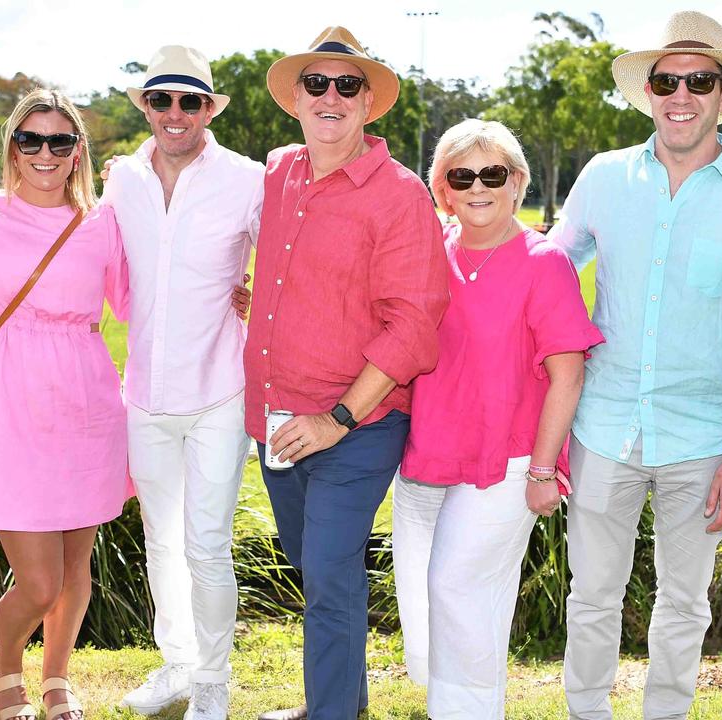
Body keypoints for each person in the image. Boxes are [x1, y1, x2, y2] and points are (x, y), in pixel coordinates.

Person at [547, 11, 722, 719]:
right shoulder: (602, 177)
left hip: (704, 438)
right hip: (602, 425)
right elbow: (546, 273)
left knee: (683, 603)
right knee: (591, 595)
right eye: (665, 79)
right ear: (649, 92)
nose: (679, 93)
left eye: (697, 79)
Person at [247, 26, 449, 720]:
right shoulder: (278, 173)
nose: (329, 97)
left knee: (330, 576)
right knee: (315, 569)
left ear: (367, 104)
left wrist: (336, 420)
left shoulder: (398, 194)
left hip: (353, 427)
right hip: (276, 423)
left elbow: (414, 325)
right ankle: (341, 701)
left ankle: (330, 713)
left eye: (346, 85)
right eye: (316, 84)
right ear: (296, 99)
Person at [393, 118, 604, 719]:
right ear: (443, 188)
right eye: (463, 175)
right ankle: (460, 704)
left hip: (508, 461)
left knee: (455, 587)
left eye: (494, 174)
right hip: (427, 453)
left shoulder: (545, 263)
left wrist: (544, 471)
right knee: (429, 597)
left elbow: (568, 374)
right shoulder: (431, 255)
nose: (478, 187)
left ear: (517, 182)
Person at [0, 88, 131, 720]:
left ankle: (57, 679)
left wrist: (231, 297)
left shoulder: (104, 221)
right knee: (39, 580)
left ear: (78, 150)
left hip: (87, 401)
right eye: (31, 140)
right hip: (12, 405)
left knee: (75, 565)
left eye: (60, 140)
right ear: (12, 148)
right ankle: (6, 671)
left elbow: (142, 301)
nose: (45, 153)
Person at [104, 46, 264, 720]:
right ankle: (176, 666)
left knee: (204, 543)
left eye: (190, 101)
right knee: (161, 541)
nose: (175, 113)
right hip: (142, 392)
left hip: (218, 392)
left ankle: (212, 686)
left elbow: (291, 262)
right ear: (144, 105)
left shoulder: (248, 178)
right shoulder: (120, 177)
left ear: (208, 110)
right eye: (162, 99)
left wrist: (259, 300)